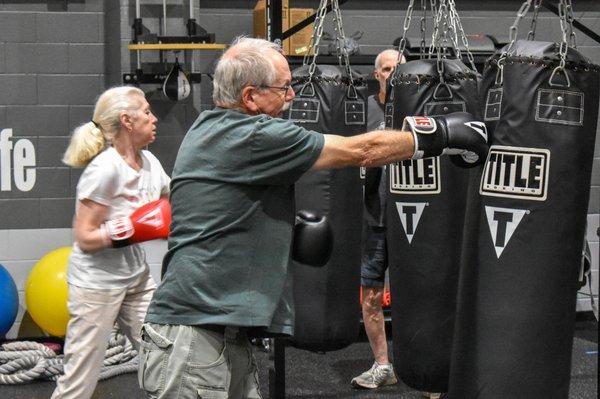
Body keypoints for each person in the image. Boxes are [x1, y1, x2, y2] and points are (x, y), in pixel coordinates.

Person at [139, 37, 487, 399]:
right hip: (193, 336)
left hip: (221, 333)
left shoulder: (209, 127)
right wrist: (443, 133)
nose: (292, 96)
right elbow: (363, 150)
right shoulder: (254, 135)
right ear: (249, 97)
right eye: (284, 88)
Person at [52, 86, 171, 399]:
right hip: (95, 285)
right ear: (127, 121)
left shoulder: (151, 164)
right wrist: (127, 229)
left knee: (166, 359)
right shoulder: (105, 170)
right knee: (79, 381)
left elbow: (173, 205)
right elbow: (85, 237)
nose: (154, 117)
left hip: (137, 280)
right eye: (146, 111)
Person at [351, 48, 405, 390]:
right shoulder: (364, 111)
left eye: (398, 68)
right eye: (386, 69)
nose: (392, 74)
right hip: (375, 216)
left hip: (413, 219)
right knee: (370, 296)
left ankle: (425, 367)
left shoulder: (418, 110)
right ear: (377, 75)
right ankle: (382, 366)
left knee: (419, 295)